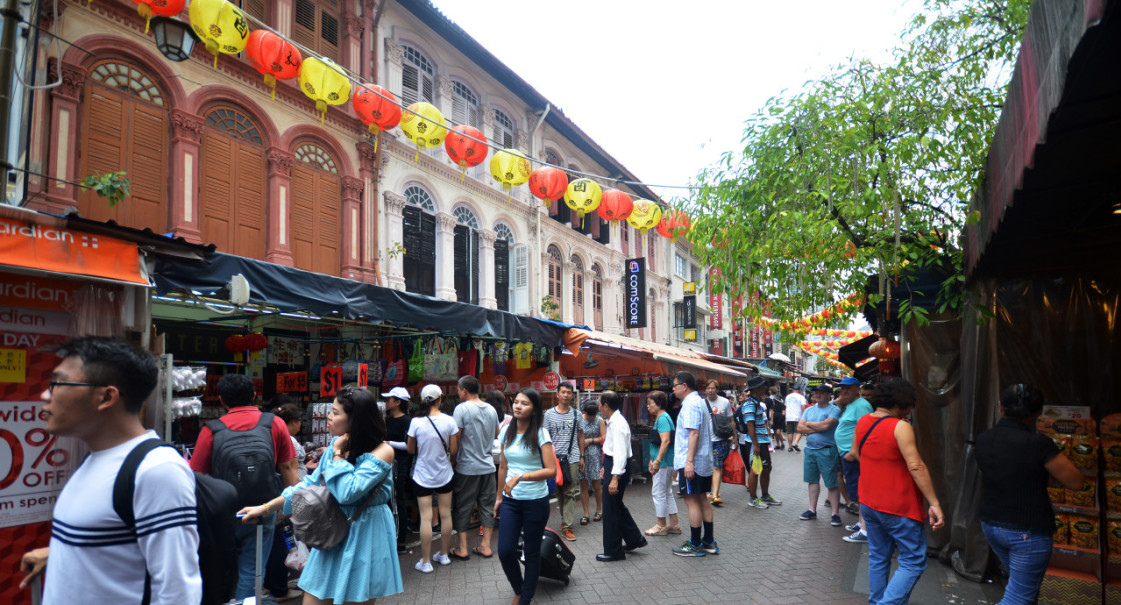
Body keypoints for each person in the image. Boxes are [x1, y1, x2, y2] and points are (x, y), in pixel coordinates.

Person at [19, 337, 201, 604]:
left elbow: (178, 592)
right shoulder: (95, 459)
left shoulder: (155, 470)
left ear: (106, 397)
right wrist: (59, 552)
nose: (45, 395)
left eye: (56, 383)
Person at [239, 387, 403, 604]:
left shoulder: (383, 451)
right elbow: (308, 485)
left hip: (366, 532)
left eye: (336, 412)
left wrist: (337, 454)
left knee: (354, 596)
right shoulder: (333, 450)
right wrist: (267, 507)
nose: (328, 416)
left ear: (355, 419)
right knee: (313, 596)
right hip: (333, 532)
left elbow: (347, 492)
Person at [190, 374, 299, 600]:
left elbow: (197, 476)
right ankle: (246, 602)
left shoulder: (211, 430)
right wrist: (288, 506)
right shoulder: (274, 423)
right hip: (263, 509)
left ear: (221, 400)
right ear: (254, 395)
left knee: (219, 568)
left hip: (222, 513)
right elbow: (288, 468)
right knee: (253, 568)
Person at [975, 384, 1084, 605]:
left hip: (991, 525)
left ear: (1000, 408)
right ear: (1037, 414)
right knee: (1019, 597)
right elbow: (1076, 482)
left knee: (1024, 590)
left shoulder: (984, 439)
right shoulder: (1039, 445)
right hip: (1027, 531)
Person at [851, 378, 944, 605]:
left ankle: (877, 601)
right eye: (911, 404)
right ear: (902, 402)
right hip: (898, 505)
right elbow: (916, 466)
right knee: (913, 561)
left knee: (879, 557)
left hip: (870, 502)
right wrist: (935, 503)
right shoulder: (900, 426)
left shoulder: (864, 421)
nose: (911, 409)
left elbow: (854, 453)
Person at [495, 388, 557, 605]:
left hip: (535, 502)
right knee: (505, 551)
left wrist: (521, 476)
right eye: (517, 402)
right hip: (511, 502)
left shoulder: (540, 433)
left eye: (525, 403)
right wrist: (499, 497)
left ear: (534, 409)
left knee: (531, 553)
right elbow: (503, 466)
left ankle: (525, 598)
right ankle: (519, 588)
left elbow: (551, 471)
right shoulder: (506, 431)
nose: (518, 406)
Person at [407, 384, 459, 573]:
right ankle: (444, 555)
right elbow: (453, 451)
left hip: (422, 475)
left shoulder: (416, 422)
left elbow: (411, 449)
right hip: (445, 473)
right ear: (440, 399)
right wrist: (451, 463)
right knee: (446, 514)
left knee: (426, 517)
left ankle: (426, 561)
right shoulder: (449, 421)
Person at [449, 376, 500, 559]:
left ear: (464, 390)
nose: (458, 392)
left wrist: (452, 460)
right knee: (487, 506)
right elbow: (497, 433)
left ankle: (462, 548)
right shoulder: (491, 409)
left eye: (458, 389)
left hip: (467, 468)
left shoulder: (461, 409)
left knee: (463, 507)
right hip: (488, 466)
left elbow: (456, 438)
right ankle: (485, 546)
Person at [671, 371, 719, 557]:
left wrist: (688, 462)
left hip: (692, 461)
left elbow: (694, 433)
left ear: (684, 386)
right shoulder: (700, 401)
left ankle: (695, 544)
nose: (673, 389)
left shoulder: (691, 404)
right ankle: (708, 541)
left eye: (675, 385)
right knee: (701, 499)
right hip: (702, 460)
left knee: (691, 500)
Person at [595, 390, 646, 561]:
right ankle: (634, 538)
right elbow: (613, 449)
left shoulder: (617, 423)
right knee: (616, 505)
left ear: (606, 406)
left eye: (600, 403)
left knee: (610, 509)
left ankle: (613, 550)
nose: (599, 407)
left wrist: (615, 476)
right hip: (613, 464)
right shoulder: (614, 421)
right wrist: (606, 466)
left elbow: (620, 452)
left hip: (617, 467)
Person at [265, 399, 308, 599]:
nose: (301, 425)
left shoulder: (274, 436)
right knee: (282, 542)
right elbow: (289, 469)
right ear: (292, 421)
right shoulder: (288, 440)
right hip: (285, 496)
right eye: (299, 420)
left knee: (275, 541)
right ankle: (279, 587)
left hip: (279, 495)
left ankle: (272, 584)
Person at [543, 381, 584, 541]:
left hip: (571, 458)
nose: (566, 395)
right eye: (563, 392)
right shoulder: (548, 414)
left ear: (572, 395)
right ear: (557, 394)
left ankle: (567, 526)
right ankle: (564, 520)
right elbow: (545, 438)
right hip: (553, 459)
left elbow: (581, 435)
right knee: (559, 491)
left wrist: (582, 456)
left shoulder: (577, 414)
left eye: (569, 392)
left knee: (569, 491)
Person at [836, 376, 874, 543]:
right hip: (848, 454)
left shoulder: (862, 406)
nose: (844, 390)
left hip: (855, 455)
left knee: (861, 492)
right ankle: (861, 524)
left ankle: (865, 531)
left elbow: (866, 430)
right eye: (842, 388)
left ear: (857, 388)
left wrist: (855, 452)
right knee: (858, 491)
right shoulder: (852, 404)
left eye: (848, 388)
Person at [797, 384, 842, 526]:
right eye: (816, 392)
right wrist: (818, 426)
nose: (818, 395)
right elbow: (799, 427)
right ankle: (812, 509)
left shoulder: (834, 409)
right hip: (810, 449)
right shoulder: (809, 410)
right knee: (812, 481)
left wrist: (809, 425)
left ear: (830, 395)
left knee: (832, 482)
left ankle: (835, 514)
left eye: (821, 393)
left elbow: (826, 426)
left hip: (827, 449)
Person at [644, 390, 681, 536]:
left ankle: (660, 525)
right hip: (665, 461)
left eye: (650, 404)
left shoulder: (663, 418)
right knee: (666, 492)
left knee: (658, 492)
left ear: (659, 404)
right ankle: (674, 523)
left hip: (664, 462)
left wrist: (657, 461)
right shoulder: (663, 418)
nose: (648, 407)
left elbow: (665, 441)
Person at [382, 386, 413, 553]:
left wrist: (389, 444)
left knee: (397, 502)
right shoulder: (388, 420)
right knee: (390, 501)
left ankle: (400, 541)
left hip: (399, 466)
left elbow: (409, 446)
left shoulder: (407, 421)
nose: (388, 402)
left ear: (398, 402)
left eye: (390, 399)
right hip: (387, 465)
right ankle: (391, 537)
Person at [741, 376, 781, 509]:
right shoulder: (749, 403)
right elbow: (750, 425)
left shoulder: (756, 401)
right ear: (757, 388)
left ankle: (765, 495)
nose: (765, 388)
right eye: (763, 386)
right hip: (756, 442)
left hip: (762, 440)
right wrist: (756, 445)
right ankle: (753, 498)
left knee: (767, 468)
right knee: (756, 469)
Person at [703, 379, 736, 506]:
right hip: (705, 441)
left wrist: (735, 437)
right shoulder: (701, 403)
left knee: (717, 466)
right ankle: (711, 492)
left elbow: (731, 420)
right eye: (708, 388)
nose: (710, 391)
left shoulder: (725, 402)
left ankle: (715, 494)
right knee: (708, 468)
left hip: (720, 440)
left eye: (713, 388)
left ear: (717, 390)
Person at [578, 400, 606, 525]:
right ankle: (586, 512)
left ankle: (599, 509)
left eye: (594, 414)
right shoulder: (579, 419)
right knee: (583, 485)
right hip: (581, 454)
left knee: (597, 485)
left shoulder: (600, 420)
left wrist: (590, 440)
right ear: (584, 412)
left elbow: (604, 437)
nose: (592, 417)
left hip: (595, 454)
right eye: (590, 415)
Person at [785, 382, 807, 451]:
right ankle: (796, 443)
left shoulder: (787, 397)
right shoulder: (801, 397)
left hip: (789, 417)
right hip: (798, 417)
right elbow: (803, 407)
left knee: (790, 432)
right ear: (799, 390)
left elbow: (786, 406)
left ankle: (790, 447)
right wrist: (804, 416)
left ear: (792, 390)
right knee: (799, 431)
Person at [769, 386, 787, 450]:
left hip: (780, 419)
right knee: (775, 432)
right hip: (775, 418)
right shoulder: (773, 405)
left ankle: (782, 443)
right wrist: (771, 420)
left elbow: (783, 412)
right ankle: (778, 444)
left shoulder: (782, 405)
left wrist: (783, 415)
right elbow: (772, 412)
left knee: (778, 432)